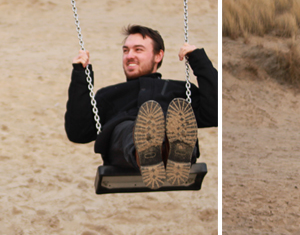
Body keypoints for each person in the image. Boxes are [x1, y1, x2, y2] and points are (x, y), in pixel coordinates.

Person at [64, 25, 217, 190]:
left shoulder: (179, 90)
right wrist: (81, 76)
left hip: (171, 134)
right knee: (128, 127)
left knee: (177, 118)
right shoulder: (109, 95)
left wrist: (198, 60)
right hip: (125, 149)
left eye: (138, 50)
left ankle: (170, 149)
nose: (129, 56)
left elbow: (214, 113)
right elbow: (78, 133)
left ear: (158, 55)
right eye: (125, 51)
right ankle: (147, 152)